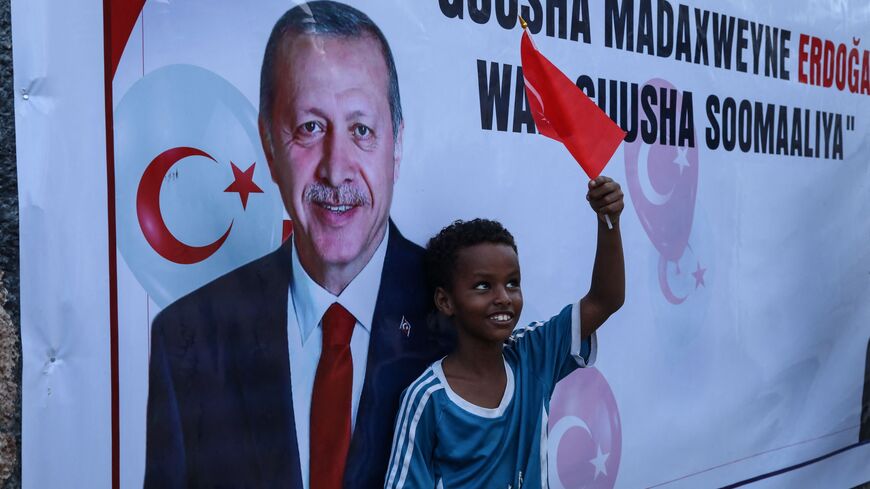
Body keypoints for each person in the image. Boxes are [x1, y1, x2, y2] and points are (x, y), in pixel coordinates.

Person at [144, 2, 451, 488]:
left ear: (396, 147)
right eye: (310, 127)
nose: (335, 167)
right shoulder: (186, 342)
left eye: (361, 130)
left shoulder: (463, 323)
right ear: (268, 145)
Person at [384, 177, 626, 489]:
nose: (504, 297)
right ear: (445, 301)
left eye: (512, 282)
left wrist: (609, 221)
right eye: (483, 286)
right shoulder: (427, 399)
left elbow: (605, 299)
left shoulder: (533, 357)